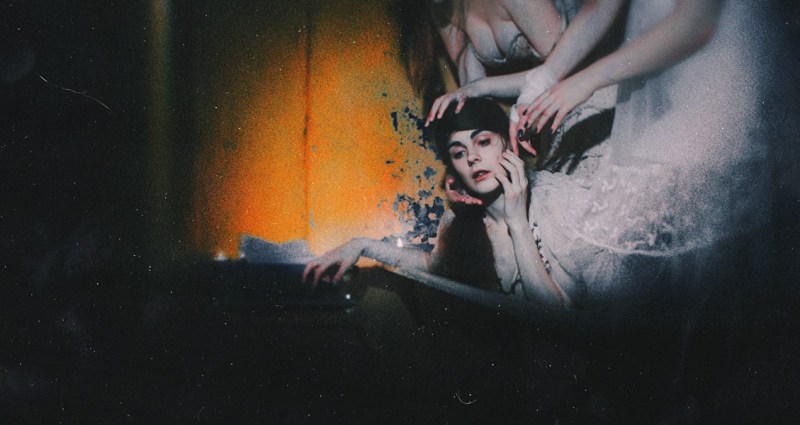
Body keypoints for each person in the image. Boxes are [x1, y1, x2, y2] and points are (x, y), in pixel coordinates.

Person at [303, 98, 572, 308]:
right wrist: (361, 245)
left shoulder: (555, 203)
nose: (472, 157)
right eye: (459, 153)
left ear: (510, 145)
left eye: (483, 141)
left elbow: (556, 320)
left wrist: (517, 223)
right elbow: (432, 265)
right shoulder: (460, 220)